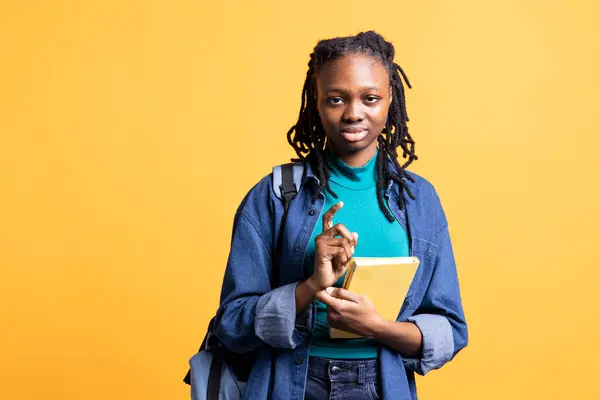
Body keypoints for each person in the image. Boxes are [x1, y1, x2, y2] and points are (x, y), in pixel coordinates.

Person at [212, 30, 468, 399]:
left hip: (384, 386)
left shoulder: (419, 200)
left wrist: (377, 326)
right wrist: (310, 286)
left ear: (390, 99)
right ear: (315, 102)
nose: (353, 113)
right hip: (290, 384)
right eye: (336, 99)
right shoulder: (275, 195)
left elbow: (450, 331)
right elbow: (232, 326)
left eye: (370, 98)